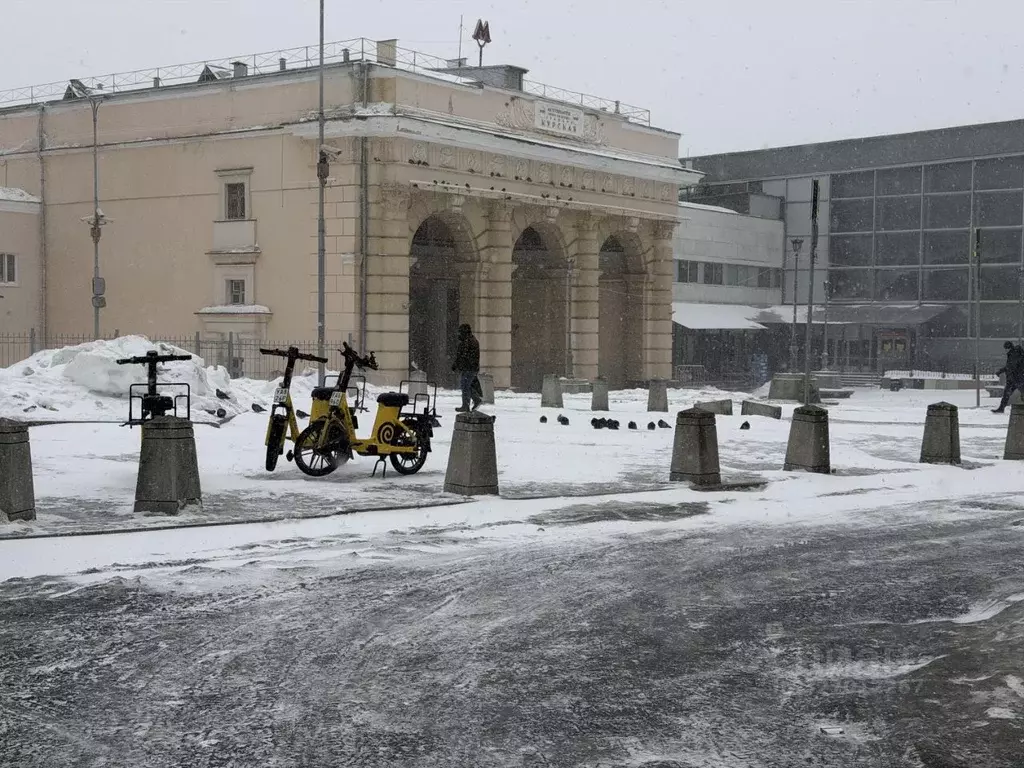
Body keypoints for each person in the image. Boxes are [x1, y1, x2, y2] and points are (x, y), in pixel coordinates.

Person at [452, 323, 482, 412]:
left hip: (469, 368)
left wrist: (456, 365)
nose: (459, 334)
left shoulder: (467, 342)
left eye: (460, 332)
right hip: (471, 368)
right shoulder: (471, 340)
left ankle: (466, 405)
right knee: (467, 386)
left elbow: (462, 356)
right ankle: (476, 400)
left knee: (465, 386)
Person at [993, 340, 1024, 413]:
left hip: (1016, 378)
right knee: (1006, 393)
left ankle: (1001, 408)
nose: (1005, 350)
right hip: (1015, 378)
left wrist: (1000, 371)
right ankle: (1001, 408)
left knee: (1008, 393)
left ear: (1009, 348)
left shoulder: (1014, 354)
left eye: (1006, 348)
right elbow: (1010, 366)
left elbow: (1011, 366)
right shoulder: (1013, 353)